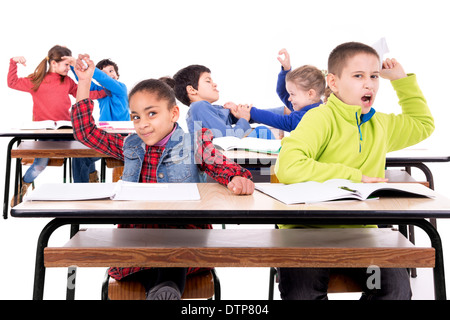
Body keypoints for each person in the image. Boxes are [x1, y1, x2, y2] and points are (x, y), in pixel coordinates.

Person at [71, 54, 254, 300]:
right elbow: (86, 132)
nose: (142, 124)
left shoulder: (194, 142)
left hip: (183, 235)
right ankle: (163, 290)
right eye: (136, 116)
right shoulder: (131, 145)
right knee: (145, 259)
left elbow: (221, 165)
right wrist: (84, 83)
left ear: (174, 113)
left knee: (174, 254)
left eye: (152, 114)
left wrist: (235, 178)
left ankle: (165, 289)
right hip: (137, 235)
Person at [274, 41, 434, 300]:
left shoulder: (380, 125)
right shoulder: (319, 118)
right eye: (358, 76)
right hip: (306, 232)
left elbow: (422, 125)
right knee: (303, 292)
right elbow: (289, 165)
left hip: (361, 234)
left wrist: (401, 81)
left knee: (393, 288)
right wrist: (354, 177)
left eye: (373, 76)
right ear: (334, 83)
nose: (368, 83)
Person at [7, 45, 106, 205]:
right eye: (66, 64)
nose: (69, 68)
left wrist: (104, 92)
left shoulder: (67, 81)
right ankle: (23, 186)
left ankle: (91, 178)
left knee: (86, 148)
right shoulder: (36, 81)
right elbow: (12, 82)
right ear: (54, 63)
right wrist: (13, 62)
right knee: (39, 166)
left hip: (66, 131)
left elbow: (82, 92)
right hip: (45, 135)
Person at [171, 64, 284, 139]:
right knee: (262, 132)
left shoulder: (211, 110)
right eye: (208, 81)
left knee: (264, 132)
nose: (214, 84)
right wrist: (244, 118)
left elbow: (252, 114)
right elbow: (228, 140)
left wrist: (283, 111)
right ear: (192, 90)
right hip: (226, 162)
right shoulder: (199, 107)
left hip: (231, 160)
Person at [235, 48, 326, 132]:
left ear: (310, 94)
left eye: (292, 94)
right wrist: (286, 70)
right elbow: (282, 92)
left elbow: (280, 120)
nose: (289, 98)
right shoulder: (309, 106)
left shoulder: (309, 116)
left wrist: (249, 111)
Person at [70, 58, 130, 183]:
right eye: (105, 72)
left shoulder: (121, 89)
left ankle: (90, 178)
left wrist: (92, 70)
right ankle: (86, 184)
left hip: (122, 137)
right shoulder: (101, 93)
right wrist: (72, 65)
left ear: (117, 75)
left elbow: (105, 79)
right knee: (80, 155)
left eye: (111, 71)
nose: (109, 74)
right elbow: (84, 81)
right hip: (105, 136)